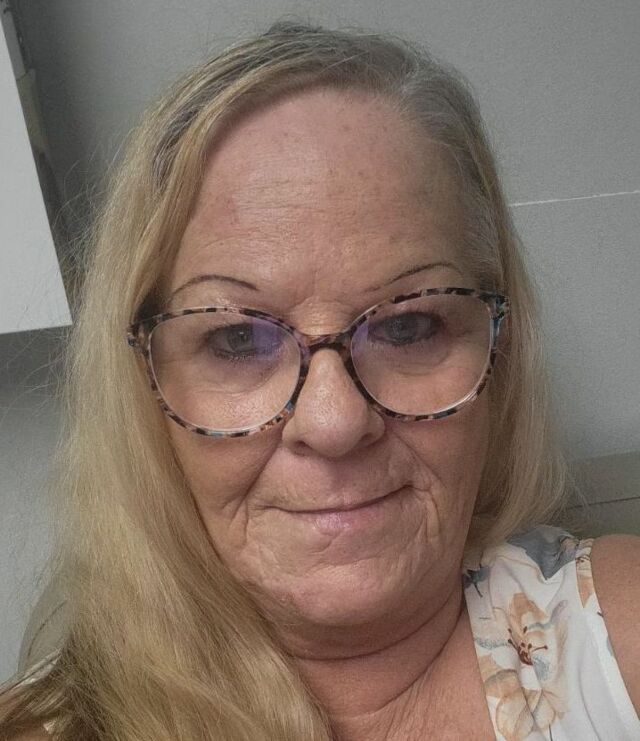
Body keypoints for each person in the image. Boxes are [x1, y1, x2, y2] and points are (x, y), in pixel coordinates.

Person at [1, 21, 638, 741]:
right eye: (237, 339)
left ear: (500, 348)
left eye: (409, 326)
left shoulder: (619, 641)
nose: (334, 423)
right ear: (140, 380)